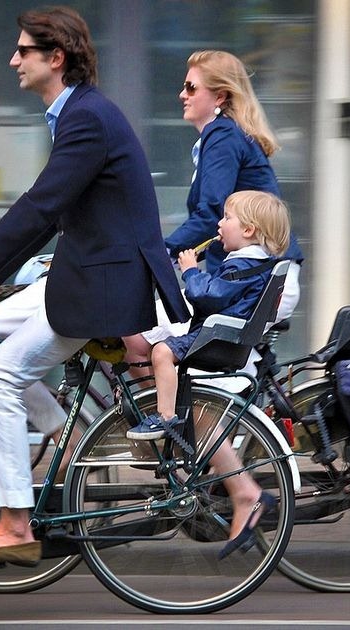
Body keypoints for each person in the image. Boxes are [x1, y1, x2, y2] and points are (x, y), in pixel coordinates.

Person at [0, 6, 189, 569]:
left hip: (100, 288)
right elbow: (54, 213)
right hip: (81, 274)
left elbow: (40, 205)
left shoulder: (86, 118)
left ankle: (14, 526)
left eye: (23, 50)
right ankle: (73, 438)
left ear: (56, 57)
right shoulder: (75, 114)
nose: (12, 60)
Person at [125, 189, 291, 557]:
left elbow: (209, 295)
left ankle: (165, 418)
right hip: (219, 335)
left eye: (227, 218)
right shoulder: (251, 262)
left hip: (216, 340)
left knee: (161, 351)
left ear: (248, 230)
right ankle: (236, 487)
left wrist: (190, 271)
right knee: (194, 407)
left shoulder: (241, 264)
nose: (219, 224)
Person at [122, 50, 304, 377]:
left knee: (135, 330)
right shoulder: (229, 135)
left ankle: (164, 411)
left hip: (251, 281)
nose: (182, 94)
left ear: (220, 96)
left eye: (191, 88)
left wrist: (157, 253)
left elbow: (209, 214)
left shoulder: (222, 136)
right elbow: (216, 225)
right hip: (257, 278)